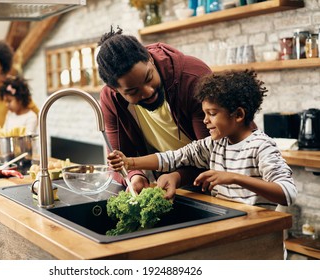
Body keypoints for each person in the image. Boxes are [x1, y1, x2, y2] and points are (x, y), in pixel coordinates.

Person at [108, 70, 297, 209]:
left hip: (257, 233)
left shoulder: (261, 146)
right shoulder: (214, 144)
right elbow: (173, 158)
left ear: (238, 114)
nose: (205, 120)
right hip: (226, 226)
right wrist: (129, 162)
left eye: (212, 114)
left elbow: (287, 193)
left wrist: (235, 178)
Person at [97, 26, 212, 194]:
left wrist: (178, 176)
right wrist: (136, 176)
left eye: (148, 78)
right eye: (133, 91)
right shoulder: (111, 99)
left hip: (222, 184)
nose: (148, 91)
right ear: (116, 91)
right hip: (173, 185)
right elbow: (119, 160)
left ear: (150, 59)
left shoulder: (192, 78)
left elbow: (216, 152)